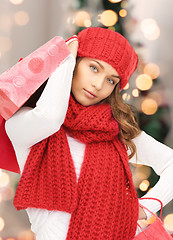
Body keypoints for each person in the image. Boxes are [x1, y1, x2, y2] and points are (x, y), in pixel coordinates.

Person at [5, 27, 173, 240]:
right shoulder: (24, 122)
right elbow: (49, 118)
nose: (98, 84)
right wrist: (63, 57)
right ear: (75, 63)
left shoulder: (116, 131)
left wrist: (145, 207)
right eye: (94, 68)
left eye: (111, 80)